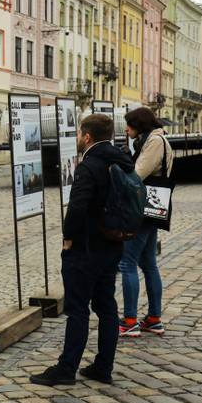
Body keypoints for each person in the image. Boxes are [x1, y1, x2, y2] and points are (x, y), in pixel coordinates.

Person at [30, 114, 135, 386]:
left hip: (87, 247)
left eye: (79, 133)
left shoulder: (88, 166)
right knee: (107, 306)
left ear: (87, 136)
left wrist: (68, 238)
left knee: (77, 309)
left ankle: (66, 369)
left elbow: (77, 207)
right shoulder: (121, 159)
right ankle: (104, 366)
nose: (78, 137)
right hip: (113, 243)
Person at [119, 107, 174, 337]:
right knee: (148, 263)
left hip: (142, 208)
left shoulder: (154, 142)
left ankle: (130, 320)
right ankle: (153, 318)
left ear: (140, 125)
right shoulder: (151, 140)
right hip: (152, 208)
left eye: (130, 125)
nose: (126, 129)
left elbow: (137, 175)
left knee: (127, 263)